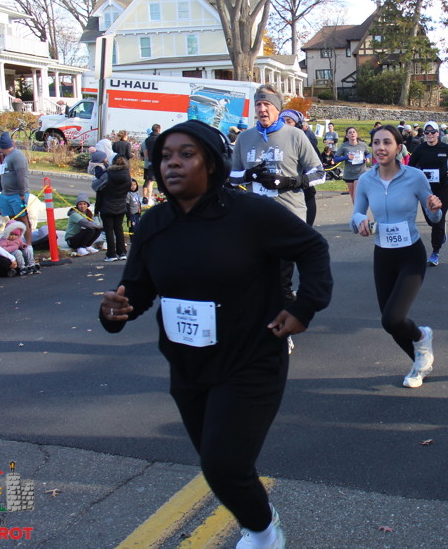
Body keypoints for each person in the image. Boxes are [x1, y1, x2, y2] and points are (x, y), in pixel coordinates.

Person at [99, 119, 332, 549]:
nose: (172, 164)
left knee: (224, 465)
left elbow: (312, 248)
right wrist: (115, 311)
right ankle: (257, 517)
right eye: (165, 156)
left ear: (211, 163)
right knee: (218, 461)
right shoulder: (153, 224)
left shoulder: (251, 213)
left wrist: (304, 307)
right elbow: (136, 290)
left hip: (251, 358)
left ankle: (263, 531)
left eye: (186, 155)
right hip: (188, 364)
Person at [351, 124, 442, 388]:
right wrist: (360, 223)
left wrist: (435, 208)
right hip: (383, 255)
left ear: (399, 147)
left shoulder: (415, 177)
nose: (380, 148)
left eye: (387, 142)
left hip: (411, 255)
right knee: (389, 322)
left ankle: (421, 337)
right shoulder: (366, 180)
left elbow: (434, 217)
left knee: (393, 317)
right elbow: (357, 214)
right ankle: (419, 363)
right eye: (376, 142)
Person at [231, 89, 325, 303]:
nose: (262, 109)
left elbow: (319, 173)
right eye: (258, 105)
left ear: (277, 109)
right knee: (258, 279)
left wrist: (290, 181)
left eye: (267, 105)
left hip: (288, 217)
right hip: (256, 218)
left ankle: (286, 319)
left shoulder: (295, 135)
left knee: (281, 281)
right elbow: (232, 177)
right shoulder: (244, 138)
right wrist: (249, 175)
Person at [408, 120, 448, 266]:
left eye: (433, 132)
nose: (430, 135)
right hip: (425, 191)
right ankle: (441, 231)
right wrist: (416, 176)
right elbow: (410, 166)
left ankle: (435, 252)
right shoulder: (420, 149)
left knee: (438, 219)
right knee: (431, 220)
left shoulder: (445, 148)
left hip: (443, 188)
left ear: (438, 133)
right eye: (427, 132)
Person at [280, 108, 320, 226]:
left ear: (298, 125)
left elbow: (318, 171)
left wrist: (296, 180)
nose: (285, 124)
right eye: (281, 121)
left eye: (289, 121)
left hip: (303, 193)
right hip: (280, 196)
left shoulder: (306, 143)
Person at [0, 131, 32, 246]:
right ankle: (17, 243)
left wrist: (22, 193)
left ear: (2, 146)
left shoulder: (17, 156)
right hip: (7, 194)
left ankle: (29, 244)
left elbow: (21, 176)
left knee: (23, 220)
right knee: (13, 221)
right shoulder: (8, 156)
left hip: (17, 195)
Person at [95, 155, 131, 262]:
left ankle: (111, 254)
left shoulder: (107, 174)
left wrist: (97, 209)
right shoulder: (127, 176)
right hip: (121, 204)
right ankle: (122, 252)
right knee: (119, 229)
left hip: (106, 205)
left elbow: (97, 188)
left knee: (109, 231)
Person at [334, 126, 370, 203]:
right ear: (347, 136)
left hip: (361, 172)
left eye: (354, 132)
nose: (352, 134)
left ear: (357, 134)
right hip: (349, 174)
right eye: (350, 133)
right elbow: (336, 159)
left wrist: (367, 158)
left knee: (356, 197)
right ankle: (358, 209)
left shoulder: (362, 145)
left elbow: (368, 153)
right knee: (353, 199)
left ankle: (360, 209)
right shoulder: (344, 146)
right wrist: (346, 157)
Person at [141, 124, 161, 204]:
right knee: (161, 182)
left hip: (151, 162)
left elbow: (145, 153)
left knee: (150, 181)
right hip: (160, 162)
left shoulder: (147, 140)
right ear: (159, 129)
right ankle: (162, 198)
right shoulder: (161, 138)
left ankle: (149, 198)